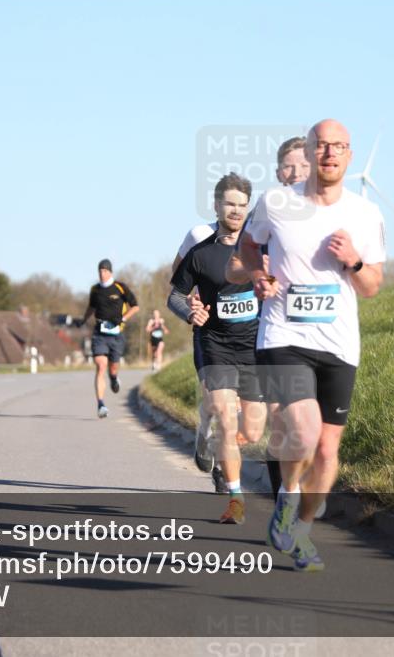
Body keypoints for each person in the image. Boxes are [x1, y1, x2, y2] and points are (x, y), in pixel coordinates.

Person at [239, 119, 386, 571]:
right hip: (284, 334)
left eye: (339, 147)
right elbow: (247, 248)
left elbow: (372, 286)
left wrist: (354, 261)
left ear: (349, 155)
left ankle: (299, 527)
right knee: (302, 431)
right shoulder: (276, 202)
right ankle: (288, 496)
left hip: (339, 344)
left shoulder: (365, 214)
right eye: (321, 146)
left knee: (326, 452)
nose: (329, 154)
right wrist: (259, 275)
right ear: (309, 150)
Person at [168, 173, 267, 524]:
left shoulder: (260, 249)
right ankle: (236, 498)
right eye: (230, 204)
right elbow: (175, 295)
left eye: (243, 205)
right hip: (215, 343)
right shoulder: (201, 252)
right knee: (227, 417)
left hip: (253, 346)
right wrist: (189, 312)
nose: (236, 211)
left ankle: (213, 443)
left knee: (252, 432)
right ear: (216, 205)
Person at [225, 136, 310, 499]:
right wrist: (257, 272)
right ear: (278, 173)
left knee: (310, 427)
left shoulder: (336, 210)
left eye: (304, 166)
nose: (297, 173)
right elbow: (233, 269)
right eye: (290, 167)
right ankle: (285, 499)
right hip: (276, 330)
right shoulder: (269, 209)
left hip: (322, 336)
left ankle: (300, 486)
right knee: (282, 419)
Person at [77, 259, 139, 418]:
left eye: (105, 271)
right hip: (100, 333)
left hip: (117, 334)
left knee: (112, 367)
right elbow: (91, 307)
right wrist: (83, 320)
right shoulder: (95, 290)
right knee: (101, 365)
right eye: (100, 271)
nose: (102, 274)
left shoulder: (120, 287)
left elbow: (135, 306)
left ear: (110, 272)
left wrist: (123, 318)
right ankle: (101, 404)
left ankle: (113, 378)